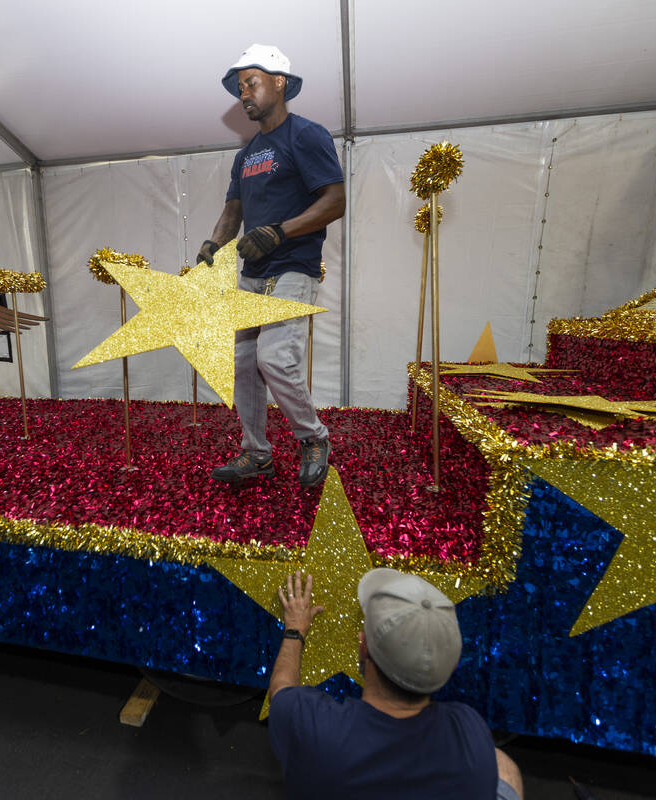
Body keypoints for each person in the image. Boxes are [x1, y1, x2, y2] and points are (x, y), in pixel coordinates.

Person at [198, 44, 345, 488]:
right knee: (242, 363)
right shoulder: (245, 157)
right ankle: (256, 453)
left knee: (275, 358)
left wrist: (280, 232)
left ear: (280, 83)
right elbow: (233, 211)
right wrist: (214, 243)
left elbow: (335, 200)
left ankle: (313, 437)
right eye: (240, 87)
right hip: (251, 274)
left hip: (294, 267)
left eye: (252, 83)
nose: (244, 94)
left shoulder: (307, 135)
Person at [266, 569, 525, 800]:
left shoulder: (309, 723)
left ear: (363, 646)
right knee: (503, 766)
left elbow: (280, 690)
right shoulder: (469, 730)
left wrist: (295, 629)